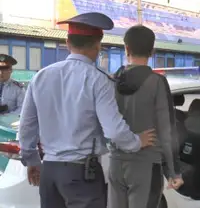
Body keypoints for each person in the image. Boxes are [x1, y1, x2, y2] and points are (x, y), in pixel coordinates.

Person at [18, 12, 156, 208]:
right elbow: (114, 131)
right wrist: (136, 142)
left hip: (49, 171)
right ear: (98, 45)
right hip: (82, 176)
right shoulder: (98, 80)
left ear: (67, 42)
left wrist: (32, 160)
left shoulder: (41, 77)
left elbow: (26, 127)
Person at [108, 25, 184, 208]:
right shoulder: (156, 82)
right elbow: (166, 130)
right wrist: (174, 172)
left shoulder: (111, 80)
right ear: (152, 51)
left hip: (116, 164)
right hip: (146, 166)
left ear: (126, 48)